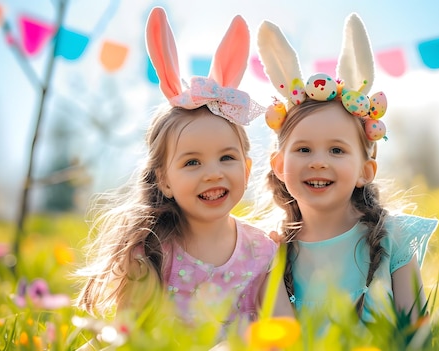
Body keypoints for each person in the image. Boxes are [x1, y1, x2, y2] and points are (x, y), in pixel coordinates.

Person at [74, 6, 293, 338]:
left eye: (227, 158)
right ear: (164, 179)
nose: (212, 173)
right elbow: (130, 339)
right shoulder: (151, 251)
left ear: (247, 169)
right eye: (192, 162)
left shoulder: (262, 253)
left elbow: (285, 333)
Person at [255, 14, 439, 326]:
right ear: (279, 165)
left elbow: (418, 334)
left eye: (337, 150)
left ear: (364, 171)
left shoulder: (393, 237)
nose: (318, 161)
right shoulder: (272, 250)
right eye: (303, 149)